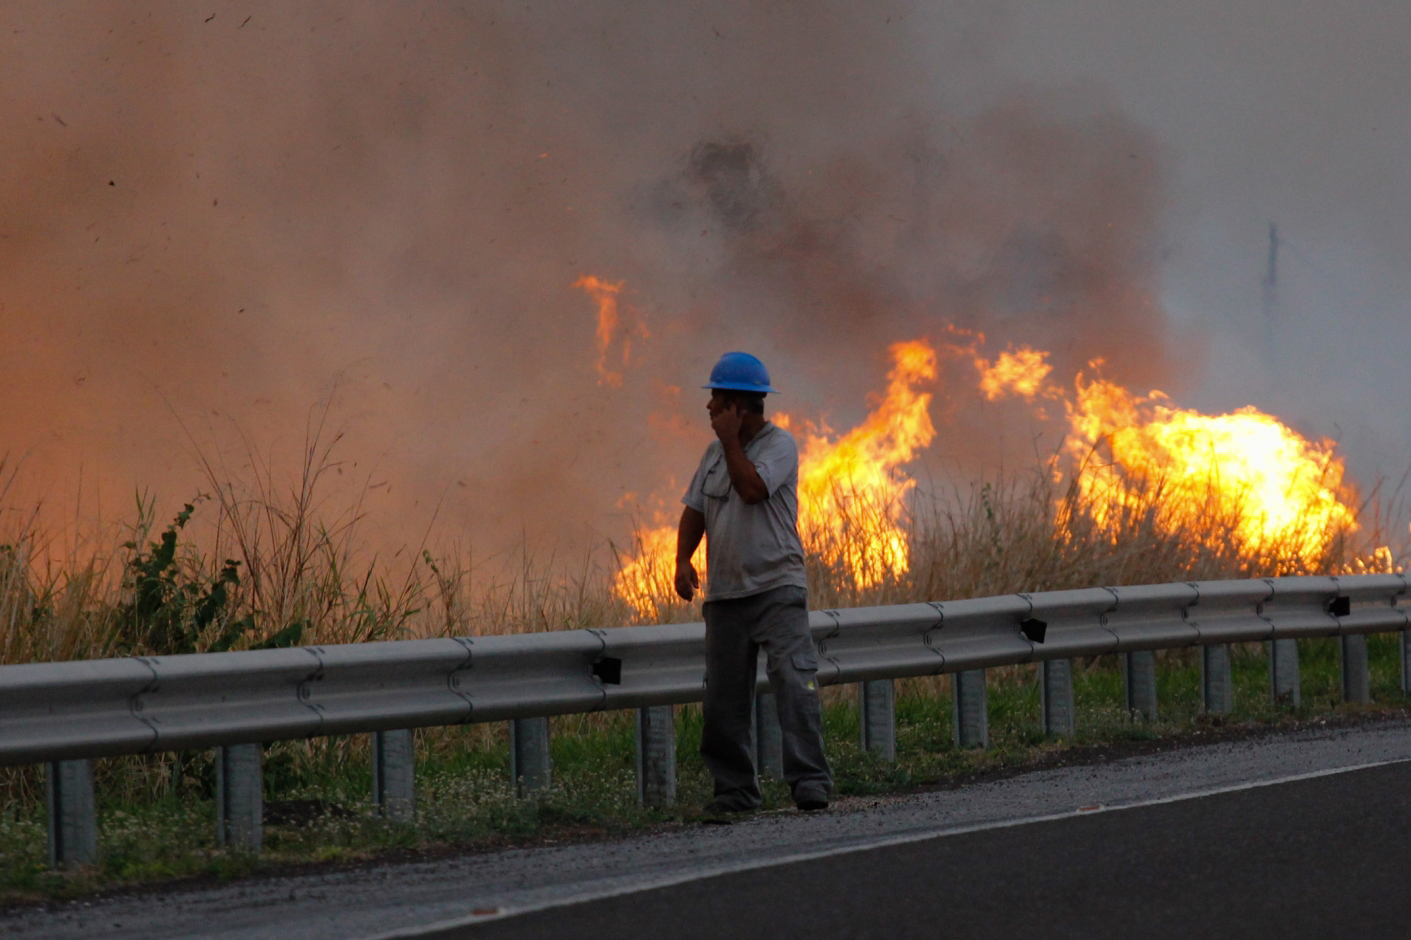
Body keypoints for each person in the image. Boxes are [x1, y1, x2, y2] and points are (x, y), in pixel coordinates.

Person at [675, 351, 833, 815]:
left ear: (737, 406)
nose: (708, 408)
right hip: (725, 595)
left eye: (715, 399)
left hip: (776, 588)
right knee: (723, 700)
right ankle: (735, 792)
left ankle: (810, 782)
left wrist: (729, 443)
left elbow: (751, 490)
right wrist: (682, 559)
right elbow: (695, 509)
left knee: (793, 682)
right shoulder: (711, 455)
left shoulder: (779, 446)